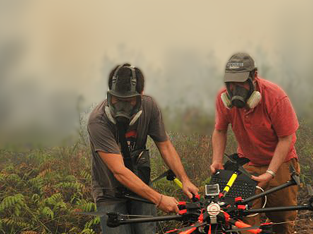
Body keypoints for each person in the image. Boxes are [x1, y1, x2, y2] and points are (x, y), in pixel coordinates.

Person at [87, 63, 198, 234]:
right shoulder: (98, 121)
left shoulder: (149, 107)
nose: (122, 106)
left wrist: (185, 179)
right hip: (110, 192)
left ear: (141, 95)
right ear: (110, 96)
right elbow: (119, 172)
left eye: (129, 100)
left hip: (141, 186)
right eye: (118, 99)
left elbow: (165, 146)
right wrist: (159, 199)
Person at [210, 53, 300, 234]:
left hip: (281, 165)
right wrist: (216, 161)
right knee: (245, 221)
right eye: (230, 84)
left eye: (240, 83)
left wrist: (270, 172)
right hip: (248, 166)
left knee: (281, 220)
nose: (234, 89)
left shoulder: (275, 97)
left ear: (254, 76)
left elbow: (286, 138)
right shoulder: (223, 99)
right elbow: (220, 130)